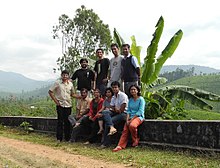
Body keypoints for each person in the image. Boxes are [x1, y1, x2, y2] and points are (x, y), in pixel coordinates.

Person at [48, 70, 79, 142]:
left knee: (67, 121)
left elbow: (72, 94)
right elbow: (50, 91)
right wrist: (56, 101)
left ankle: (67, 138)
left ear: (68, 76)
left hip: (68, 105)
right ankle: (59, 138)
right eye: (63, 75)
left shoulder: (70, 84)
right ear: (61, 75)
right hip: (60, 105)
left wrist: (80, 97)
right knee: (60, 121)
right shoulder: (57, 83)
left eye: (66, 75)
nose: (65, 76)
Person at [113, 85, 145, 152]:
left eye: (134, 89)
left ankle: (135, 140)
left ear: (137, 90)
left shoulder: (141, 99)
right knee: (125, 130)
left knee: (132, 125)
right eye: (131, 90)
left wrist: (132, 119)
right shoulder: (130, 100)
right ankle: (120, 145)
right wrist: (127, 120)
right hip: (130, 117)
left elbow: (140, 111)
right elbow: (128, 111)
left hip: (138, 117)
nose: (133, 91)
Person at [101, 81, 128, 148]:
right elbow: (112, 106)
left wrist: (116, 109)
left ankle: (105, 143)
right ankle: (112, 127)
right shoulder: (113, 97)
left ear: (119, 87)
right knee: (105, 112)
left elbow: (122, 108)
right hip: (116, 112)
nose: (114, 89)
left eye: (116, 87)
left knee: (108, 122)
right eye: (113, 88)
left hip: (123, 114)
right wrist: (115, 109)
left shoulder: (123, 96)